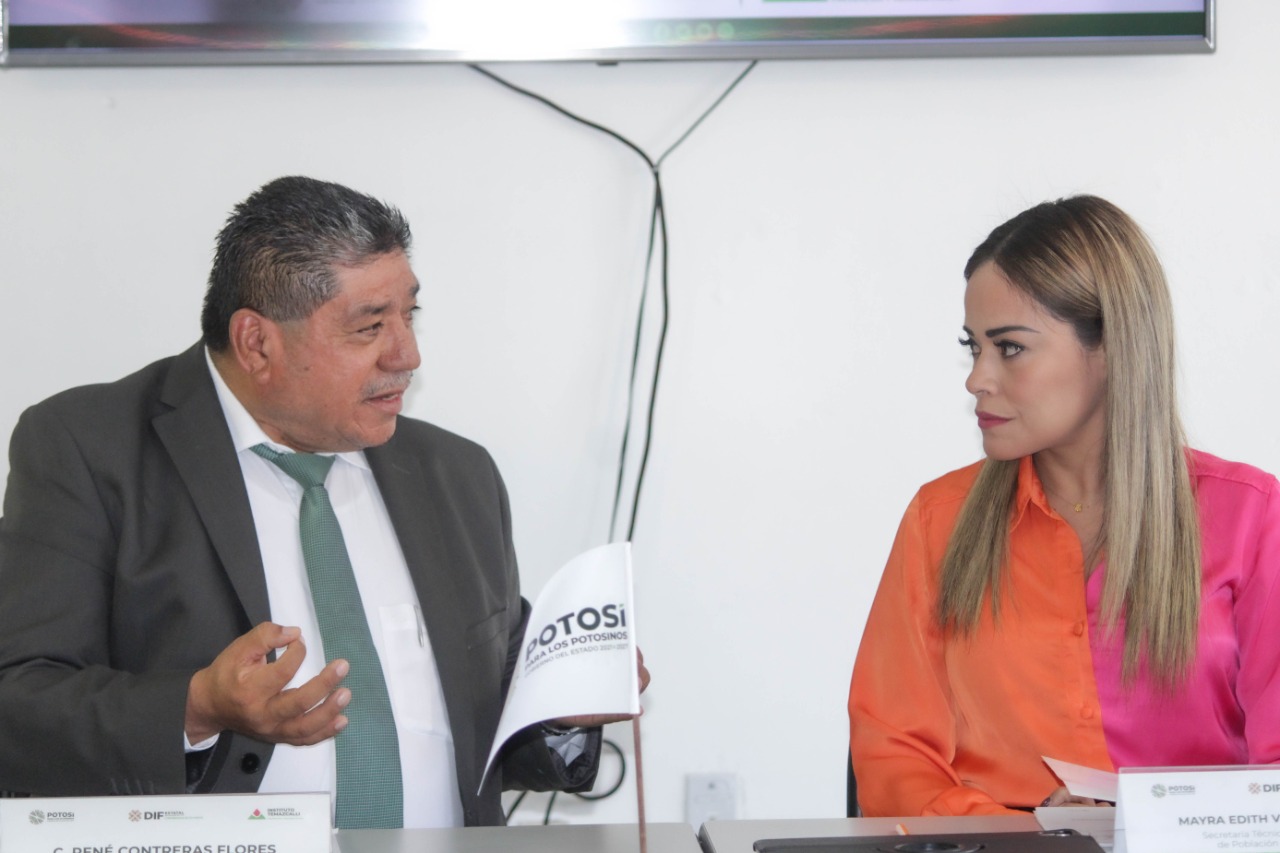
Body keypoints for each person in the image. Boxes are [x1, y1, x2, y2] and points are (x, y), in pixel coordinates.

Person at [0, 175, 648, 827]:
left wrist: (562, 702)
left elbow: (486, 716)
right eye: (369, 327)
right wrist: (196, 708)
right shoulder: (91, 448)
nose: (407, 354)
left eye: (409, 314)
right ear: (257, 343)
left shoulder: (456, 473)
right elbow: (18, 702)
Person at [848, 195, 1280, 817]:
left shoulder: (1252, 518)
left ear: (1110, 348)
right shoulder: (937, 520)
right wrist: (1031, 837)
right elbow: (894, 757)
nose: (977, 378)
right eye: (974, 347)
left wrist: (1149, 821)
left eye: (1010, 348)